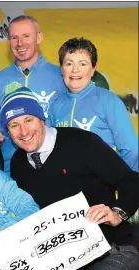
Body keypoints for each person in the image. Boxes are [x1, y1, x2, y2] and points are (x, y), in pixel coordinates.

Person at [1, 86, 139, 270]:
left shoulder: (82, 143)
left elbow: (132, 181)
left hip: (113, 249)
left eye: (28, 120)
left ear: (41, 118)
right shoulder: (18, 164)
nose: (23, 131)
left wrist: (118, 212)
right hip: (66, 264)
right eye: (14, 125)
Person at [0, 15, 66, 174]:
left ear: (39, 37)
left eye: (26, 36)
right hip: (12, 168)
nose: (20, 43)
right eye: (14, 38)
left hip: (54, 165)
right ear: (9, 42)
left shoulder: (59, 76)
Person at [47, 37, 138, 172]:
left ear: (93, 69)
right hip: (66, 189)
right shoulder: (56, 106)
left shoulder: (109, 101)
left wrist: (124, 183)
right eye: (69, 63)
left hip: (102, 189)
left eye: (83, 64)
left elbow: (131, 149)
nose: (75, 70)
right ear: (61, 69)